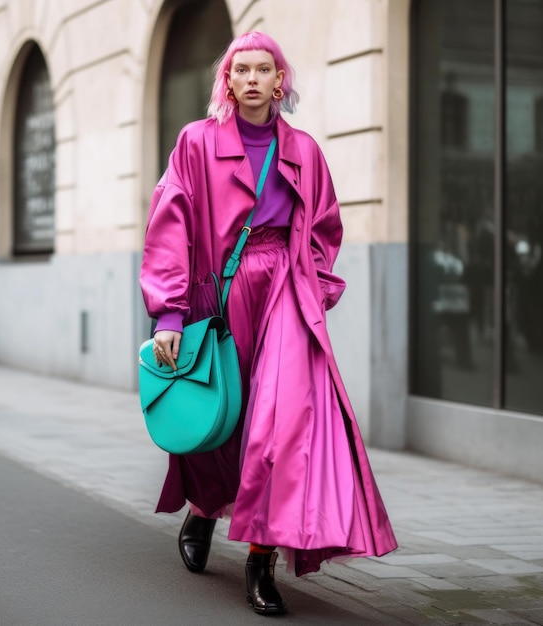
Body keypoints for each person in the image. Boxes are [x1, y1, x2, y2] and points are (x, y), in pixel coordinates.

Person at [139, 31, 397, 616]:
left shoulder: (304, 150)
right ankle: (202, 510)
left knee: (281, 427)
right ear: (226, 81)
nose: (252, 79)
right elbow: (169, 226)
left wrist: (314, 287)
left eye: (264, 69)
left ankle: (261, 558)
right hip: (219, 293)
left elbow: (326, 226)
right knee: (220, 416)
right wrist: (171, 312)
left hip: (283, 289)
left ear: (281, 81)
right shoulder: (196, 143)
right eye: (241, 70)